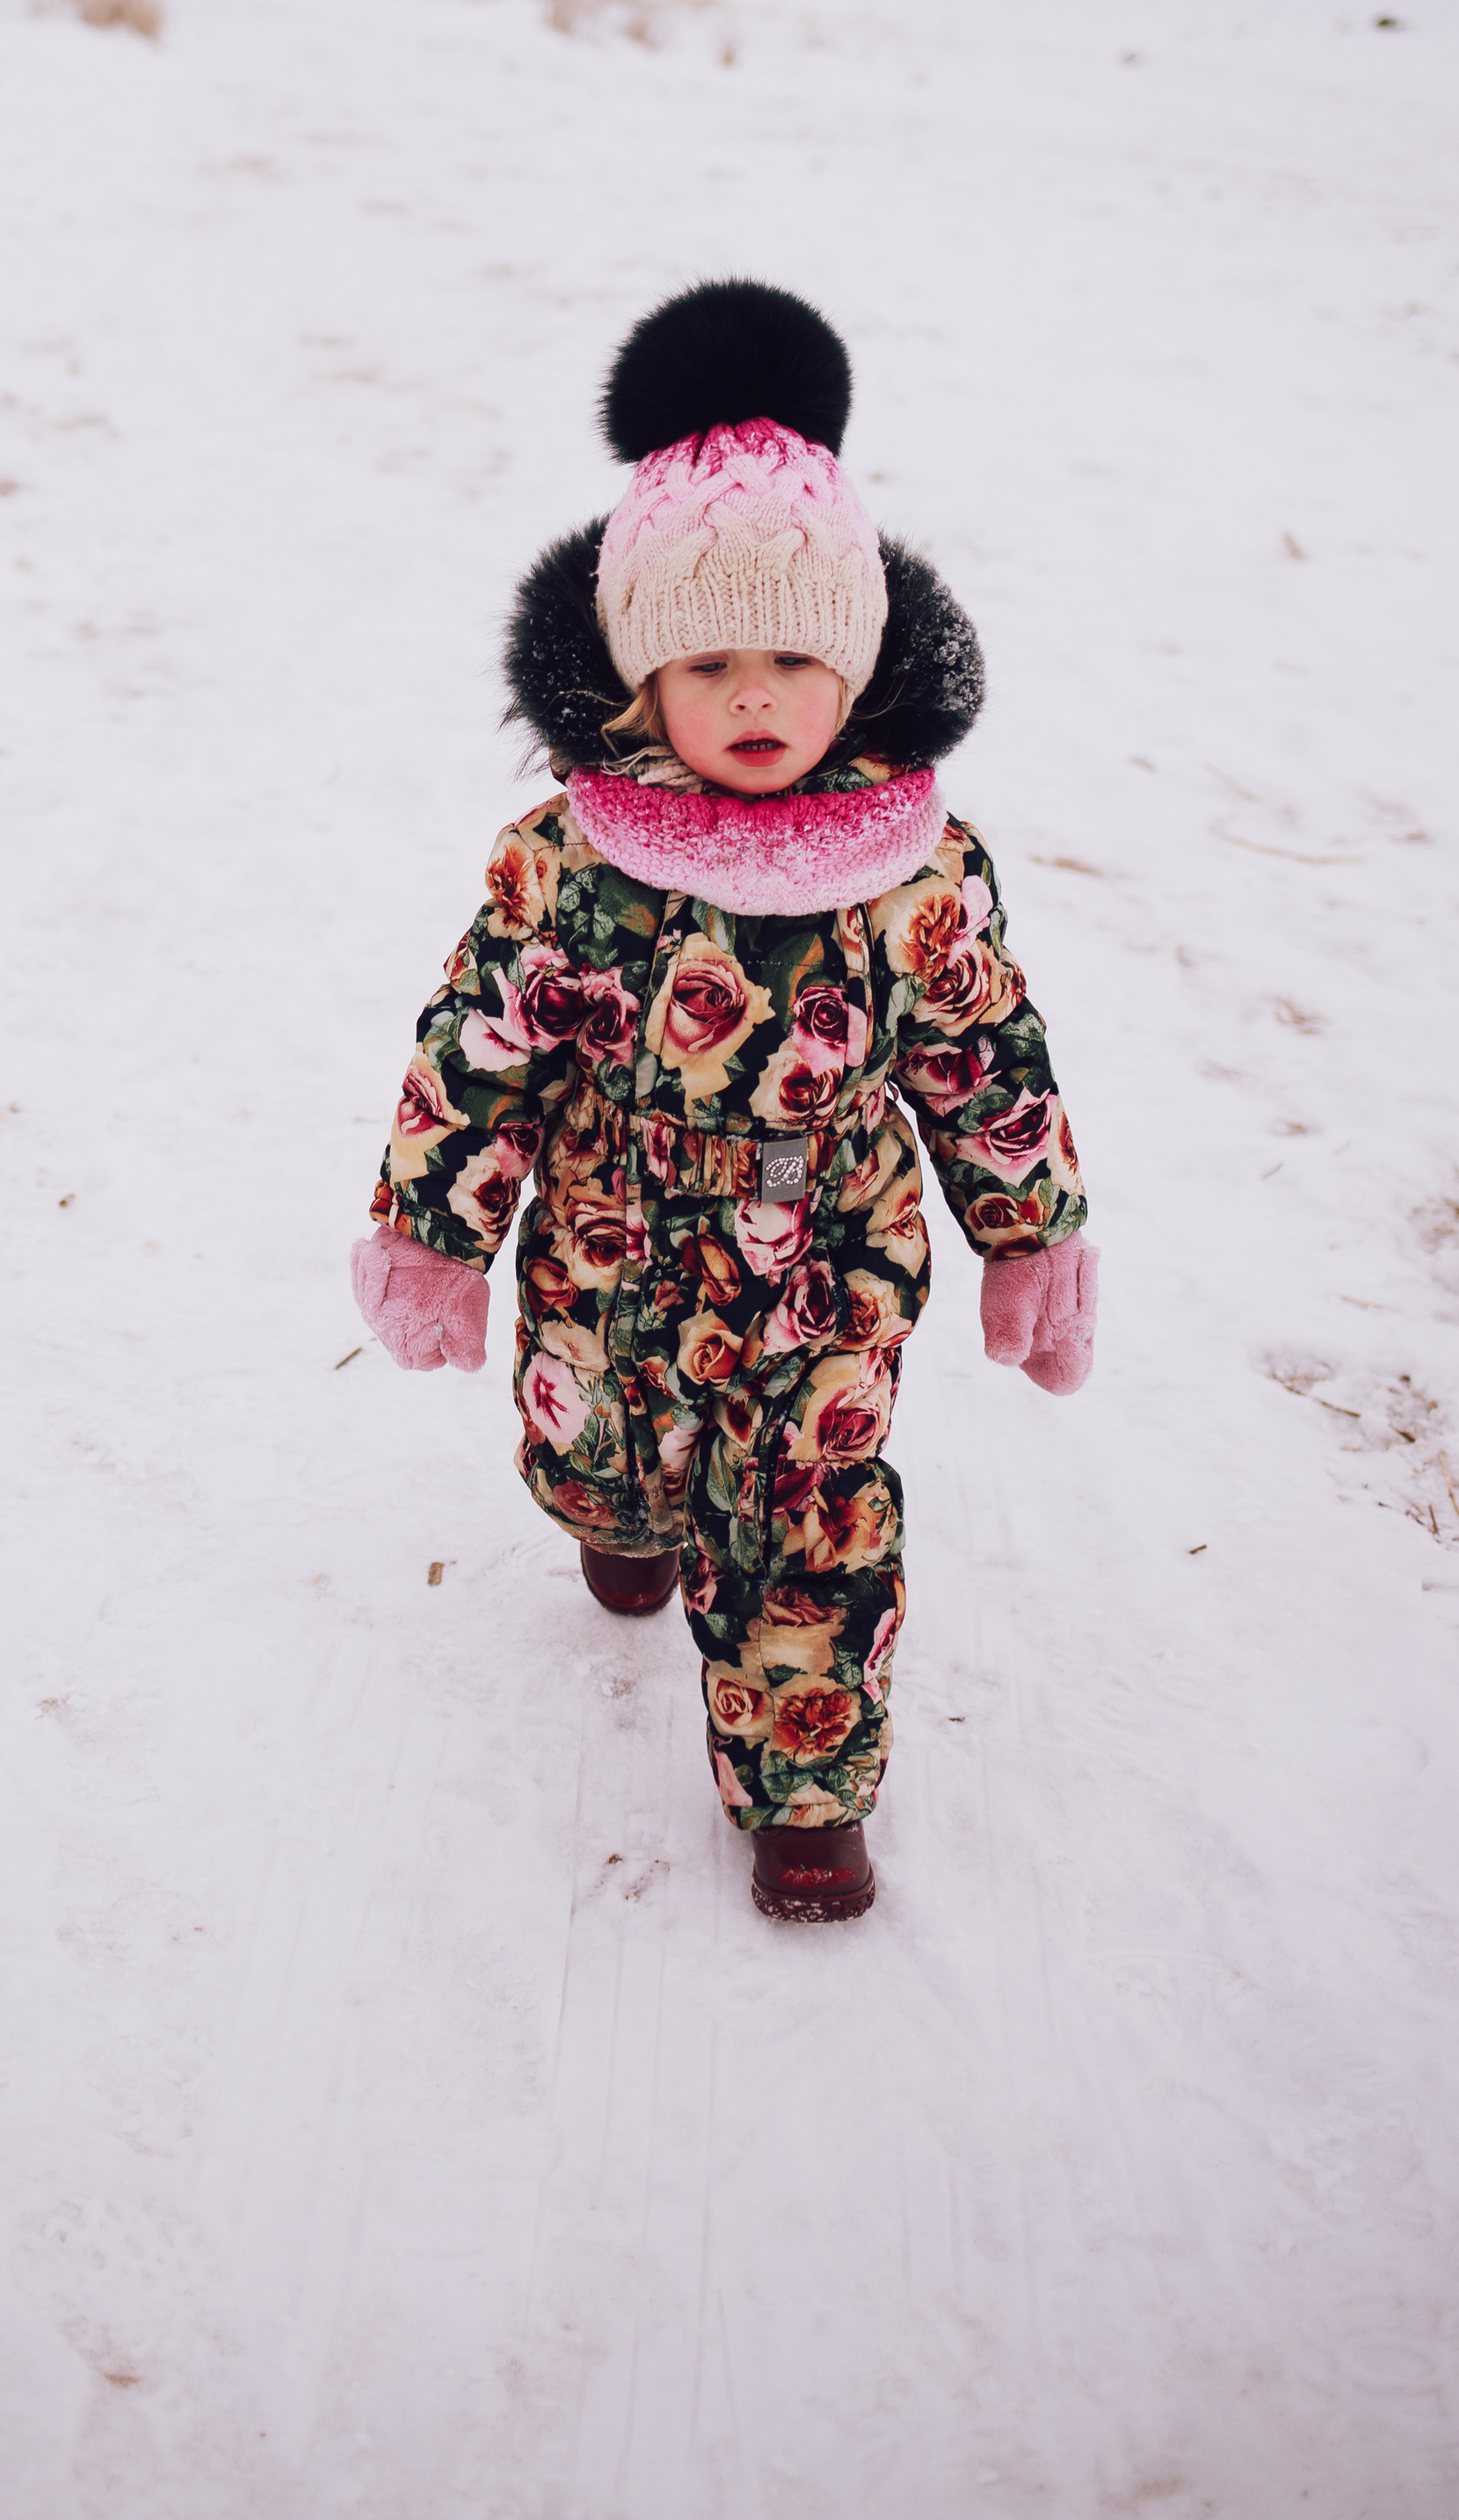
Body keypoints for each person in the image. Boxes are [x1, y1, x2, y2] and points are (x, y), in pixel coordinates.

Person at [349, 282, 1096, 1924]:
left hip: (832, 1261)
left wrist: (1028, 1232)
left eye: (792, 658)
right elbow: (481, 1050)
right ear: (638, 672)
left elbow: (985, 1057)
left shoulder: (918, 868)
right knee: (603, 1463)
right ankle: (615, 1512)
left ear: (858, 662)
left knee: (808, 1524)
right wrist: (435, 1234)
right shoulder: (572, 859)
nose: (753, 697)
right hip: (615, 1249)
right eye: (708, 661)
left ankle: (806, 1791)